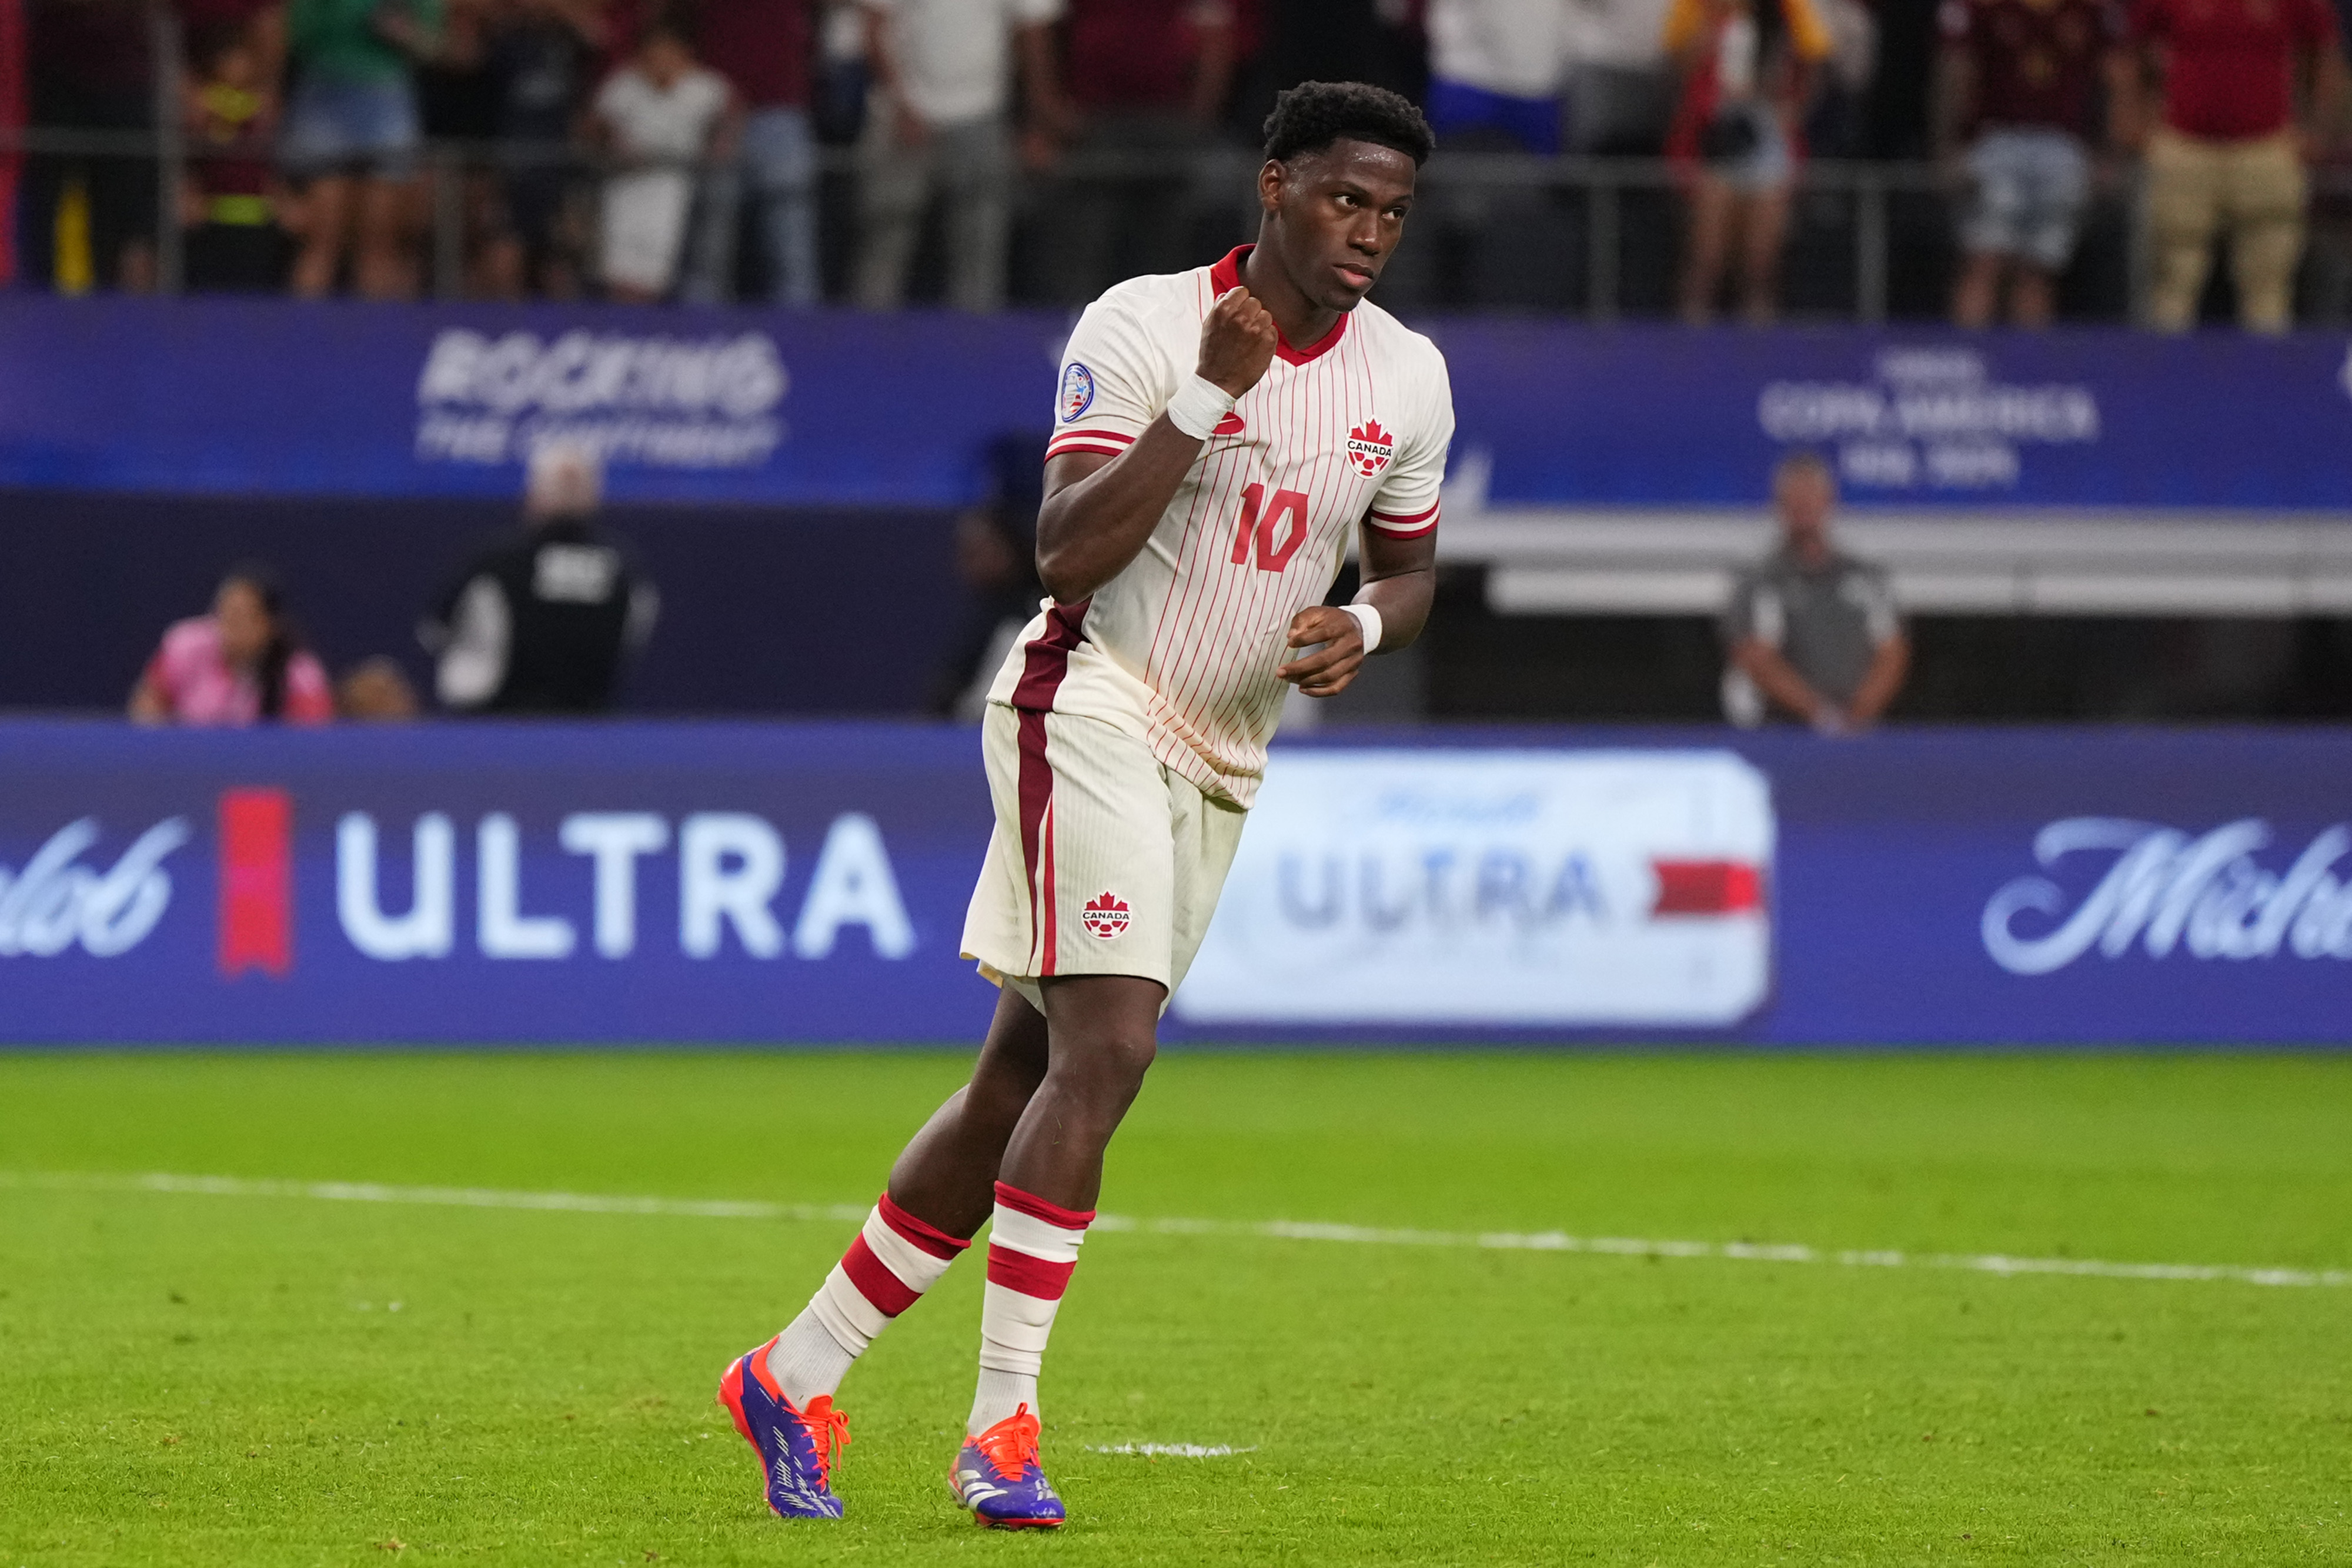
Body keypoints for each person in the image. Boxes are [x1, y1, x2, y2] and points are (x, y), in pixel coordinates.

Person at [714, 80, 1453, 1530]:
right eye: (1342, 199)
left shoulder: (1407, 376)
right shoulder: (1140, 323)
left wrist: (1365, 629)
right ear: (1273, 187)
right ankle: (1001, 1427)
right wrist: (1204, 395)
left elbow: (1413, 571)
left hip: (1227, 753)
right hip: (1089, 697)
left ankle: (791, 1375)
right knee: (1109, 1050)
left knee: (1018, 1083)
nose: (1366, 233)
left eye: (1390, 212)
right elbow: (1063, 555)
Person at [2126, 0, 2346, 332]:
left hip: (2265, 150)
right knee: (2173, 281)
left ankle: (2270, 377)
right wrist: (2134, 119)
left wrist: (2318, 129)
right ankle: (2164, 375)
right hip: (2186, 148)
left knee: (2269, 286)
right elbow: (2132, 50)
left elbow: (2324, 53)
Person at [851, 0, 1067, 312]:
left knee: (981, 249)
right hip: (903, 114)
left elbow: (1032, 29)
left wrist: (1037, 122)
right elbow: (873, 26)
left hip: (982, 114)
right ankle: (864, 343)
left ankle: (976, 350)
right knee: (886, 240)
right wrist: (901, 104)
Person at [419, 444, 660, 713]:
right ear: (594, 497)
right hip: (591, 732)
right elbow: (636, 638)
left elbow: (433, 631)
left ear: (534, 496)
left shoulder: (496, 562)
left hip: (497, 731)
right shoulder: (624, 568)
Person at [1937, 0, 2130, 327]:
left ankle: (2030, 370)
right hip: (1998, 140)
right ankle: (1968, 364)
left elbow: (2115, 79)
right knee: (1985, 259)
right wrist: (1949, 144)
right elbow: (1958, 70)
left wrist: (2111, 152)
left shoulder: (2091, 11)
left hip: (2063, 148)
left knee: (2040, 267)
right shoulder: (1984, 8)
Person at [1037, 0, 1237, 303]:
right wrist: (1049, 112)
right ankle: (1077, 334)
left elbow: (1215, 29)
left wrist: (1198, 116)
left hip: (1168, 123)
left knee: (1165, 256)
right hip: (1091, 124)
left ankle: (1163, 336)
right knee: (1085, 251)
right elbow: (1038, 24)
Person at [1664, 0, 1832, 323]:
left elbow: (1816, 60)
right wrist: (1711, 25)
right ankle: (1688, 356)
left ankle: (1759, 357)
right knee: (1706, 260)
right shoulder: (1698, 7)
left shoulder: (1789, 8)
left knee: (1760, 266)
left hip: (1766, 130)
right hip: (1716, 131)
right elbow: (1679, 68)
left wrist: (1794, 111)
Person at [1720, 451, 1907, 731]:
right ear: (1779, 504)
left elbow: (1891, 650)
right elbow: (1755, 656)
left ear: (1829, 500)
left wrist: (1860, 715)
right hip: (1783, 735)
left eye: (1811, 495)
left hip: (1857, 733)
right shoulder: (1760, 580)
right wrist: (1821, 716)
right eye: (1795, 497)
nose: (1804, 505)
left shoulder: (1864, 577)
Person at [281, 0, 442, 297]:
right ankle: (303, 336)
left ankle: (376, 339)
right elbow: (296, 35)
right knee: (321, 239)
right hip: (326, 93)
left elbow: (432, 45)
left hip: (387, 97)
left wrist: (403, 34)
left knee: (380, 241)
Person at [589, 15, 737, 302]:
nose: (660, 58)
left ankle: (648, 334)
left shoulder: (701, 87)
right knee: (618, 273)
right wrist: (610, 138)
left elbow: (733, 109)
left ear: (682, 52)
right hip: (625, 187)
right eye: (654, 50)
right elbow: (592, 123)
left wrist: (720, 143)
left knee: (655, 277)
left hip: (672, 189)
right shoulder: (626, 85)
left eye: (667, 50)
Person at [681, 0, 820, 305]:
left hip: (781, 112)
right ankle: (698, 340)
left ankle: (804, 344)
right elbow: (674, 28)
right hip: (718, 114)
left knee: (792, 249)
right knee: (709, 247)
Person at [129, 566, 335, 726]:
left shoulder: (301, 676)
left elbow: (312, 740)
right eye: (223, 613)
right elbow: (149, 701)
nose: (229, 626)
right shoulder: (186, 646)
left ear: (270, 625)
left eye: (241, 617)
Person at [182, 20, 293, 292]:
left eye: (243, 59)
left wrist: (282, 199)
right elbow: (195, 151)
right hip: (213, 215)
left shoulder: (264, 106)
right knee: (209, 291)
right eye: (229, 58)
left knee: (253, 292)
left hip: (256, 217)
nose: (237, 65)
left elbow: (270, 162)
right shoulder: (204, 102)